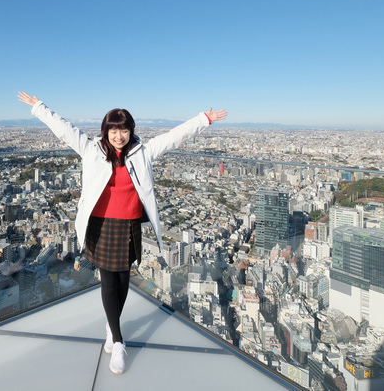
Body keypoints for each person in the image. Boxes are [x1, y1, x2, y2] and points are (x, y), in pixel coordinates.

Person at [17, 92, 227, 374]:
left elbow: (174, 137)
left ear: (131, 131)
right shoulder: (92, 150)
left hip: (128, 224)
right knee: (108, 281)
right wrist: (39, 108)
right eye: (114, 130)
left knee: (124, 279)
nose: (119, 136)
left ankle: (110, 322)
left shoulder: (142, 152)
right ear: (105, 131)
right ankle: (117, 340)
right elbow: (64, 129)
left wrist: (204, 119)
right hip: (101, 224)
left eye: (124, 130)